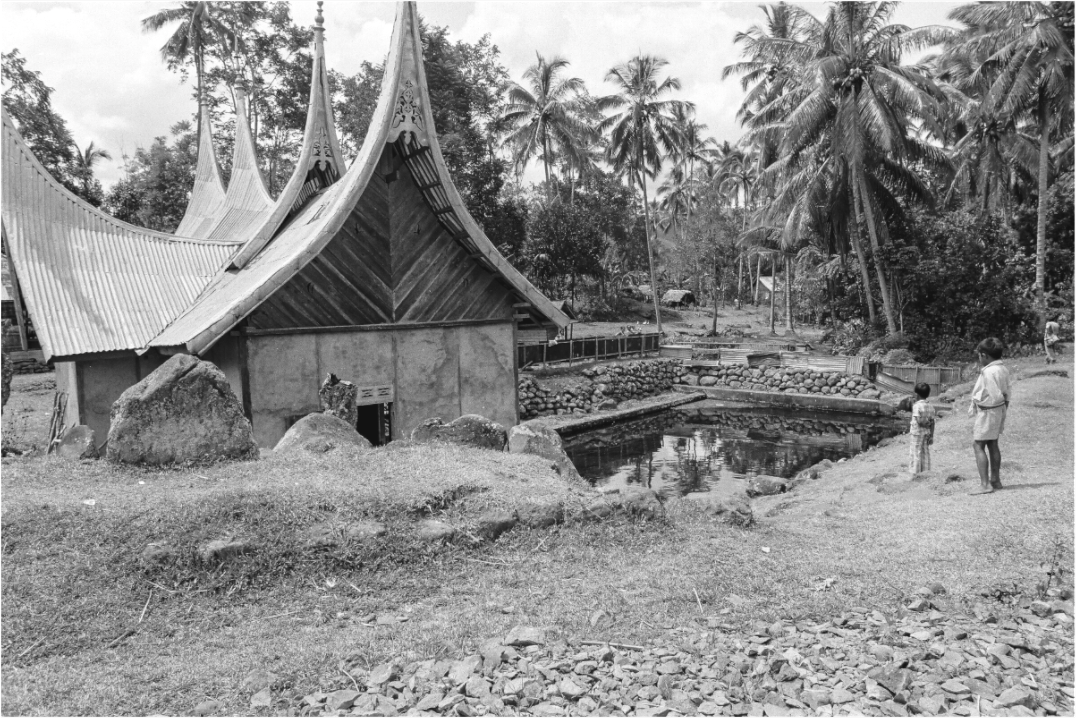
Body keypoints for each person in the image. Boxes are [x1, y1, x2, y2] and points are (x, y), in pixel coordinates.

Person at [969, 337, 1011, 495]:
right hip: (999, 409)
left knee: (978, 445)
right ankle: (996, 480)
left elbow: (993, 395)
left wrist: (981, 406)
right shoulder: (1003, 369)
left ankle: (985, 484)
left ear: (984, 355)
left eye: (979, 355)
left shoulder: (988, 372)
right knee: (993, 443)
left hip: (989, 410)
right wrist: (1004, 408)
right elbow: (1008, 391)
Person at [909, 383, 936, 474]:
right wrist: (931, 435)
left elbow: (919, 421)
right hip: (927, 433)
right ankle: (926, 472)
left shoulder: (916, 406)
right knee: (925, 452)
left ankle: (915, 473)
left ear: (916, 394)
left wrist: (925, 423)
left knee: (916, 452)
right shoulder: (930, 406)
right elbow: (933, 422)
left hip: (917, 433)